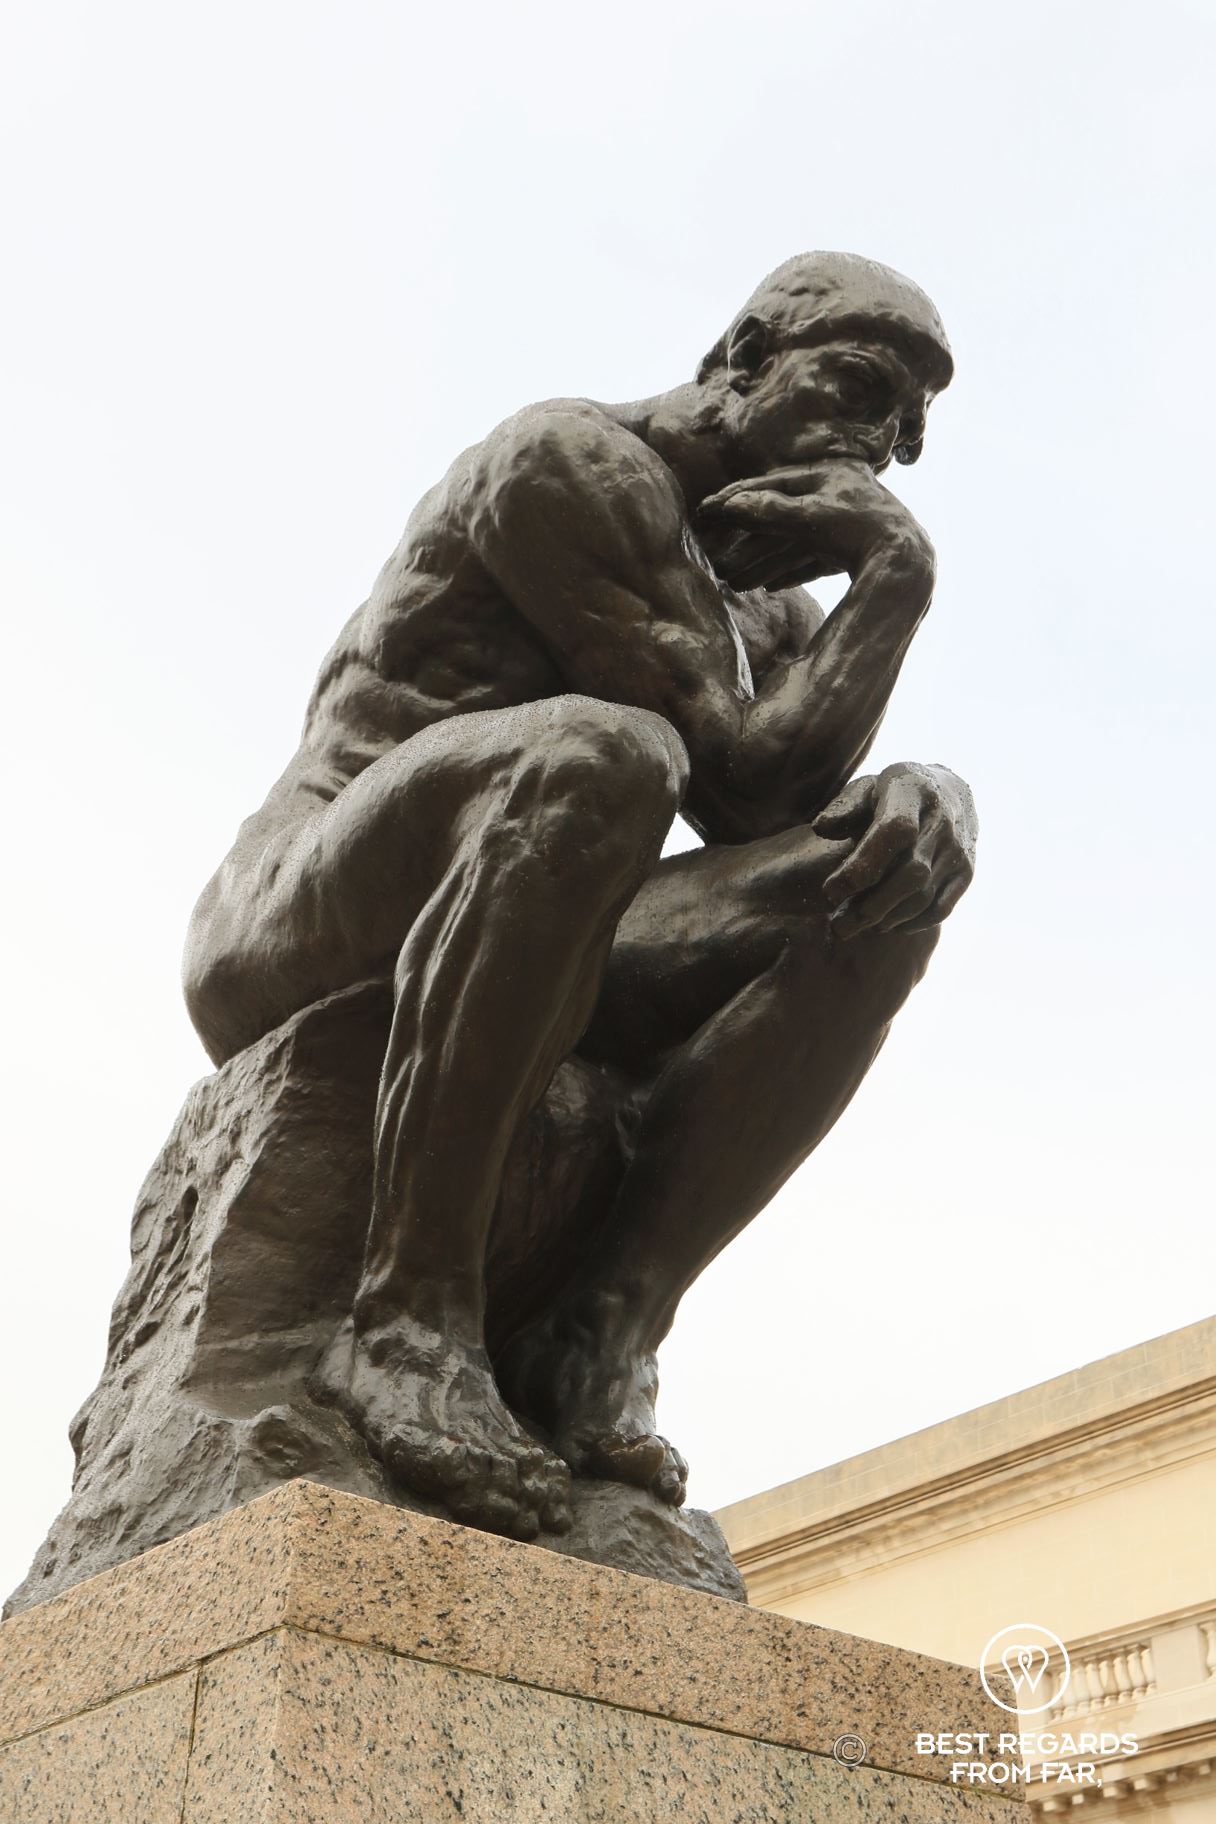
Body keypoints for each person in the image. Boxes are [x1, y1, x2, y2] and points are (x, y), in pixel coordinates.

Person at [183, 251, 977, 1542]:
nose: (887, 443)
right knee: (608, 753)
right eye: (862, 386)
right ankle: (407, 1319)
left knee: (884, 874)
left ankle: (601, 1334)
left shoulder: (767, 612)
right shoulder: (572, 463)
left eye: (910, 424)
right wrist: (897, 575)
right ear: (744, 353)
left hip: (550, 917)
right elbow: (730, 767)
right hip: (308, 912)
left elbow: (771, 825)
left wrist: (929, 793)